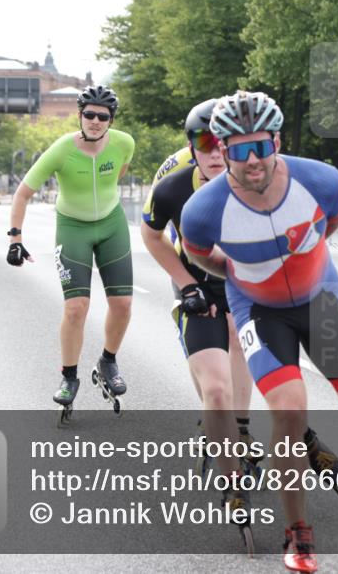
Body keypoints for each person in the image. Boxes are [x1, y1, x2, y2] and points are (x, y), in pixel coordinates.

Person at [180, 90, 338, 574]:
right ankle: (298, 530)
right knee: (289, 407)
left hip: (319, 298)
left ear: (276, 141)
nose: (253, 161)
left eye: (262, 147)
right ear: (222, 150)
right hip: (258, 310)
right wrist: (240, 273)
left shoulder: (321, 180)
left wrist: (305, 267)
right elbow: (199, 254)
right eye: (240, 150)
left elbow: (330, 223)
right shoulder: (204, 210)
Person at [141, 99, 261, 529]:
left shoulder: (258, 177)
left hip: (241, 281)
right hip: (194, 276)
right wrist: (187, 285)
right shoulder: (172, 185)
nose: (214, 152)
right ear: (191, 147)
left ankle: (240, 428)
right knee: (215, 390)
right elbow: (151, 236)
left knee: (239, 343)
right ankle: (231, 482)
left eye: (223, 143)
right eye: (204, 143)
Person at [7, 84, 134, 412]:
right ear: (79, 116)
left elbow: (119, 174)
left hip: (111, 224)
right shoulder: (62, 149)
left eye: (102, 116)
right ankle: (69, 376)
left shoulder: (124, 143)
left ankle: (108, 362)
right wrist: (15, 239)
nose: (95, 120)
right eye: (89, 114)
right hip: (73, 228)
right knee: (76, 308)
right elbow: (22, 193)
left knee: (121, 303)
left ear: (111, 119)